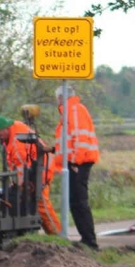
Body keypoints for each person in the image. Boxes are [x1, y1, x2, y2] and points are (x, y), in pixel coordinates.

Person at [41, 85, 101, 250]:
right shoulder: (72, 110)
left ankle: (90, 242)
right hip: (76, 162)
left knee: (79, 203)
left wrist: (74, 162)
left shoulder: (74, 110)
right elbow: (69, 142)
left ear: (60, 98)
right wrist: (53, 149)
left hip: (78, 163)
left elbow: (80, 139)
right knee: (76, 202)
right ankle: (87, 240)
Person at [0, 115, 61, 235]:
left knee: (41, 203)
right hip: (33, 170)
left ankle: (58, 236)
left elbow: (22, 167)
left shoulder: (17, 143)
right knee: (34, 204)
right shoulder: (12, 133)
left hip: (41, 171)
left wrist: (19, 185)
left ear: (6, 128)